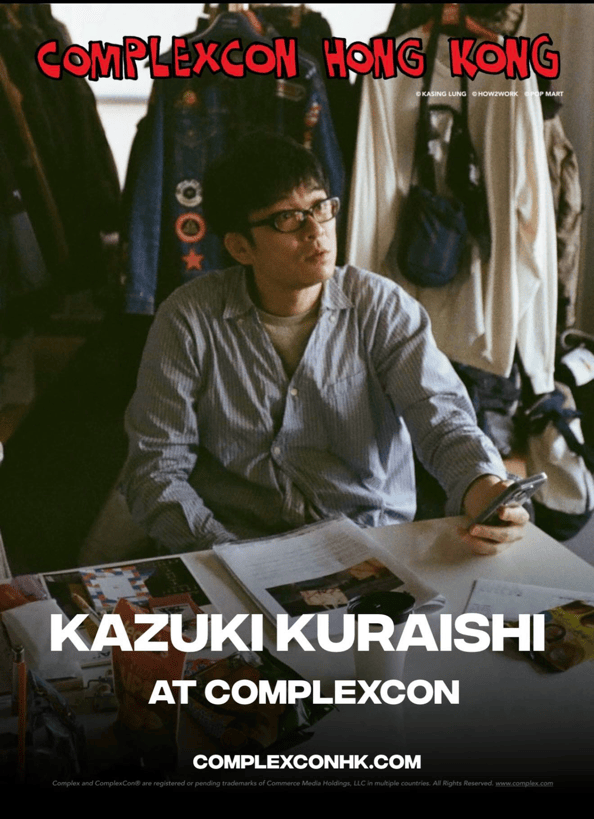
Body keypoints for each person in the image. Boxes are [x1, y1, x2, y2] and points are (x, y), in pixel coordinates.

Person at [121, 133, 529, 557]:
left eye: (320, 207)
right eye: (287, 218)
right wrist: (227, 554)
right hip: (234, 544)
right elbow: (156, 468)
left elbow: (443, 421)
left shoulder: (381, 307)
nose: (316, 230)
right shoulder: (188, 319)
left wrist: (484, 487)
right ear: (241, 247)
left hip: (369, 544)